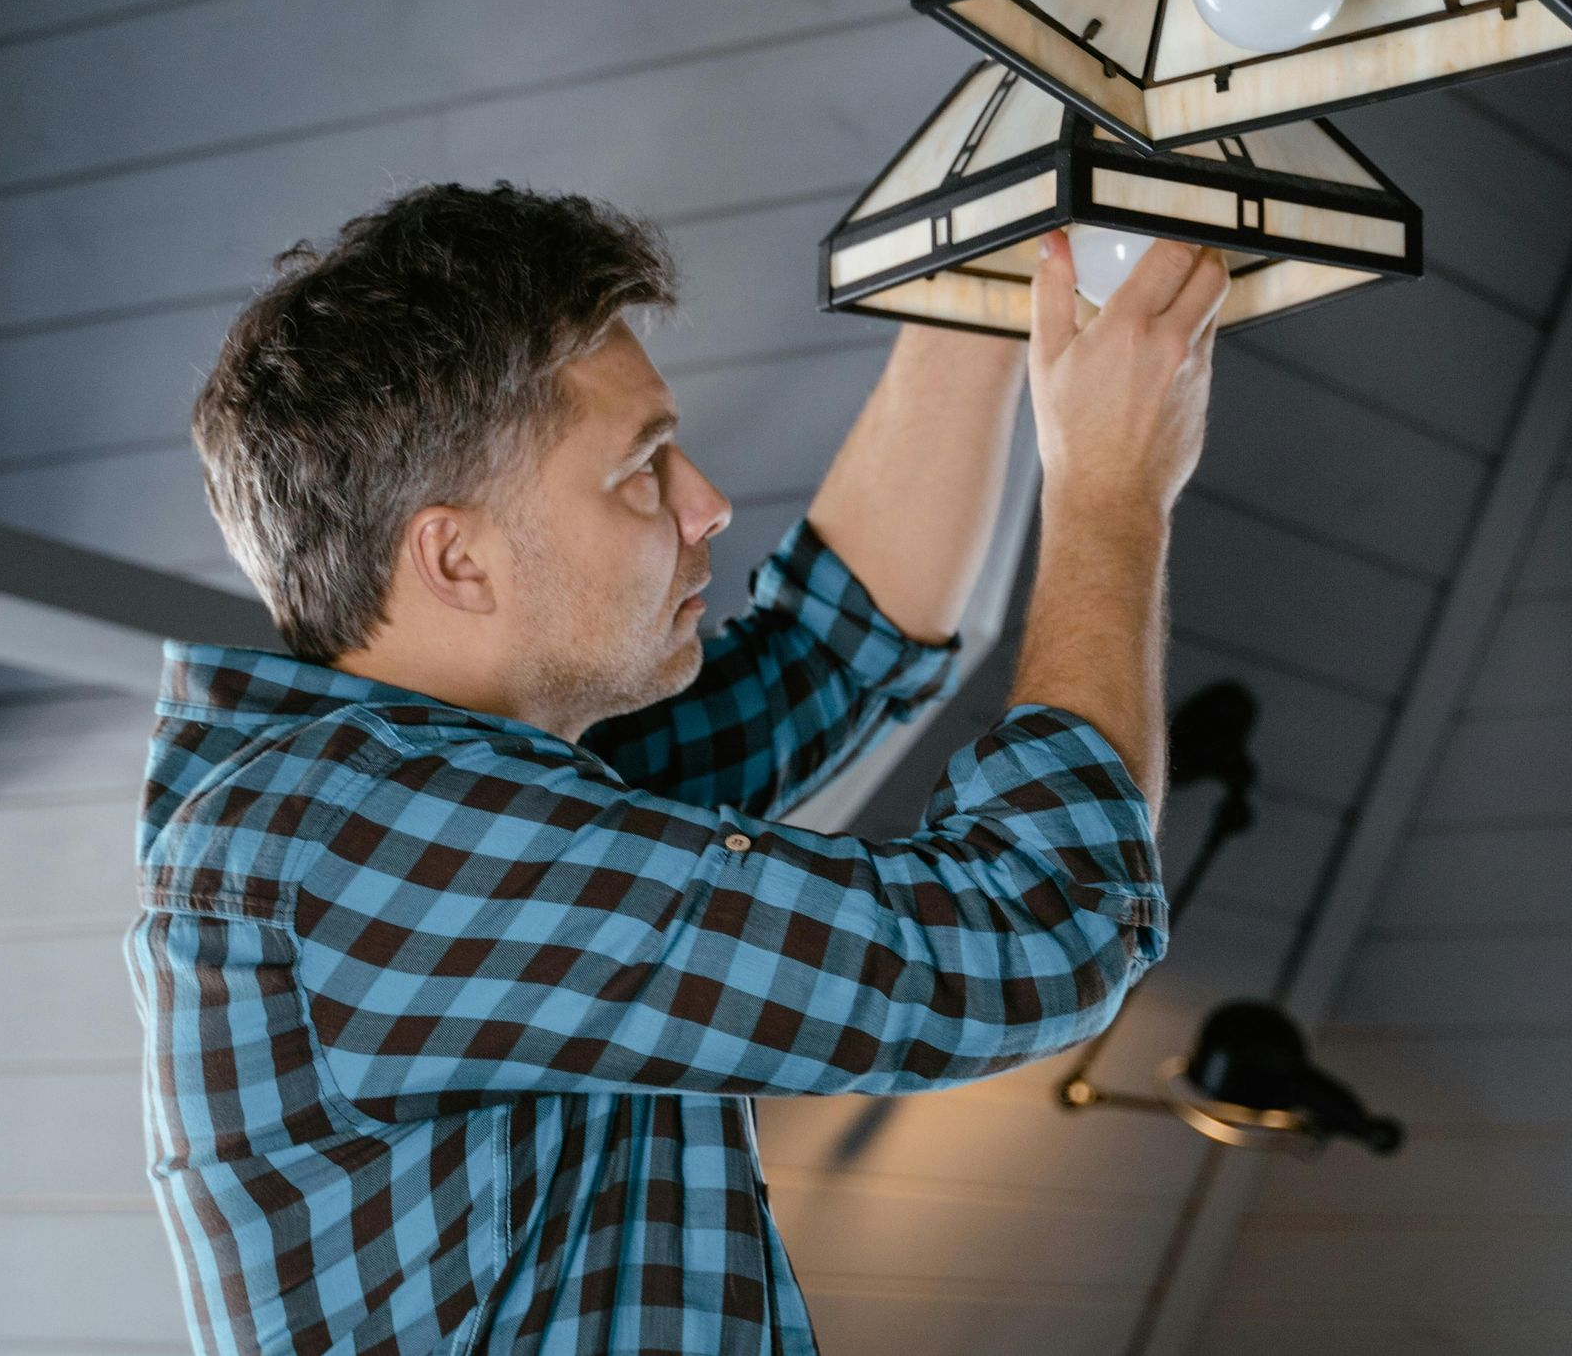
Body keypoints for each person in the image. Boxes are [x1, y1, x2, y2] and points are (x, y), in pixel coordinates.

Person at [125, 179, 1227, 1355]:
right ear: (457, 558)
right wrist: (1111, 489)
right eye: (642, 466)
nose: (706, 503)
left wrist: (987, 258)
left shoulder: (455, 796)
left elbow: (830, 654)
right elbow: (1041, 925)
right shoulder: (353, 841)